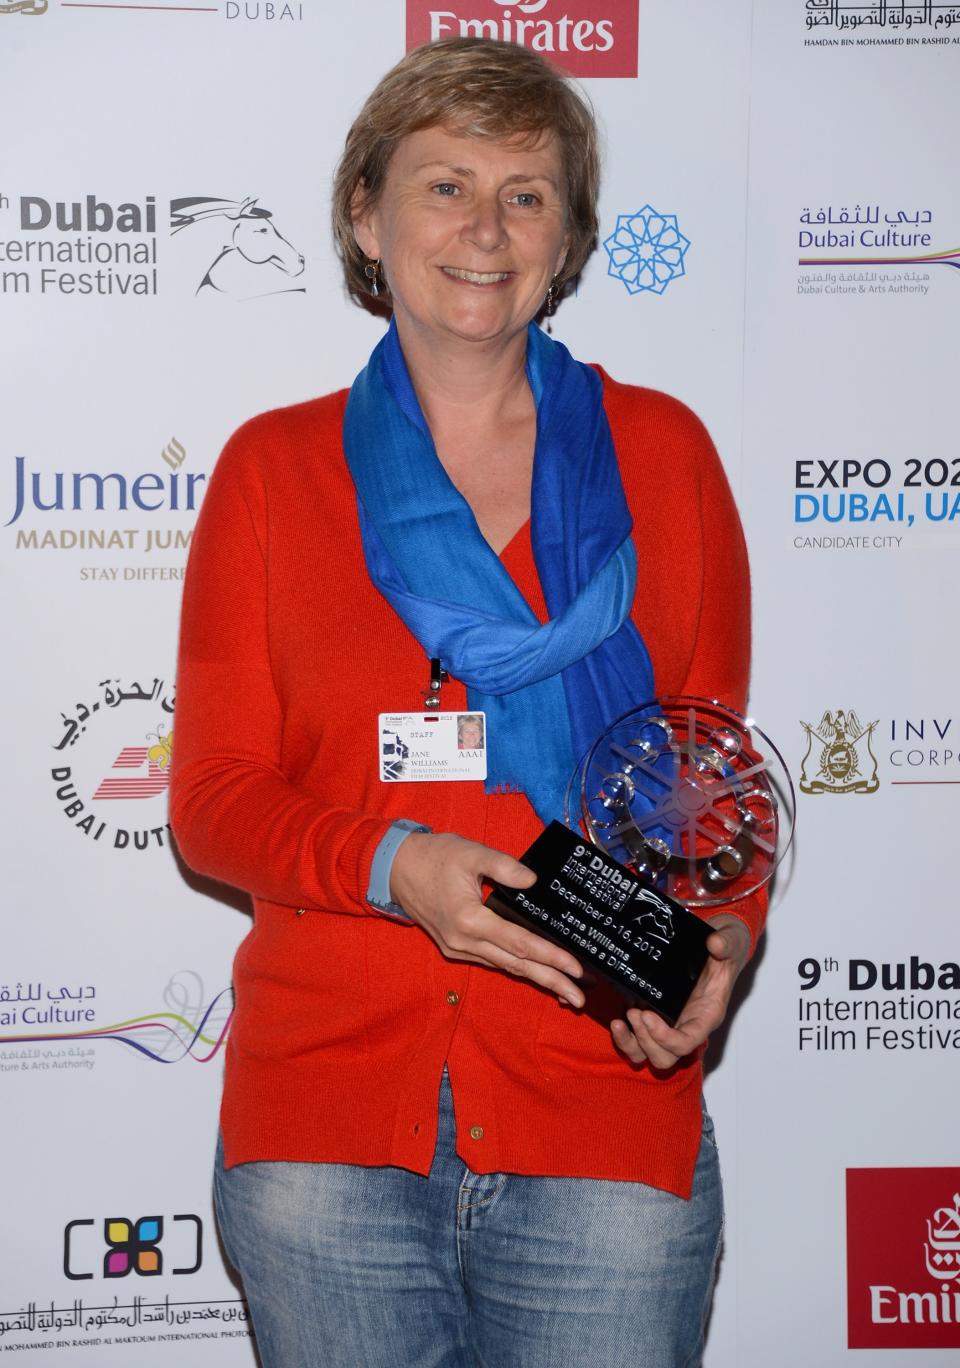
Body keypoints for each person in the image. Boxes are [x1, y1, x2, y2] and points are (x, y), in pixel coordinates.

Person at [171, 36, 762, 1368]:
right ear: (365, 216)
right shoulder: (274, 471)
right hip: (327, 1144)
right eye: (445, 186)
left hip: (598, 1109)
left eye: (527, 193)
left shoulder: (661, 456)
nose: (486, 228)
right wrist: (393, 864)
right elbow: (212, 804)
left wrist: (722, 939)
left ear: (567, 241)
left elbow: (703, 779)